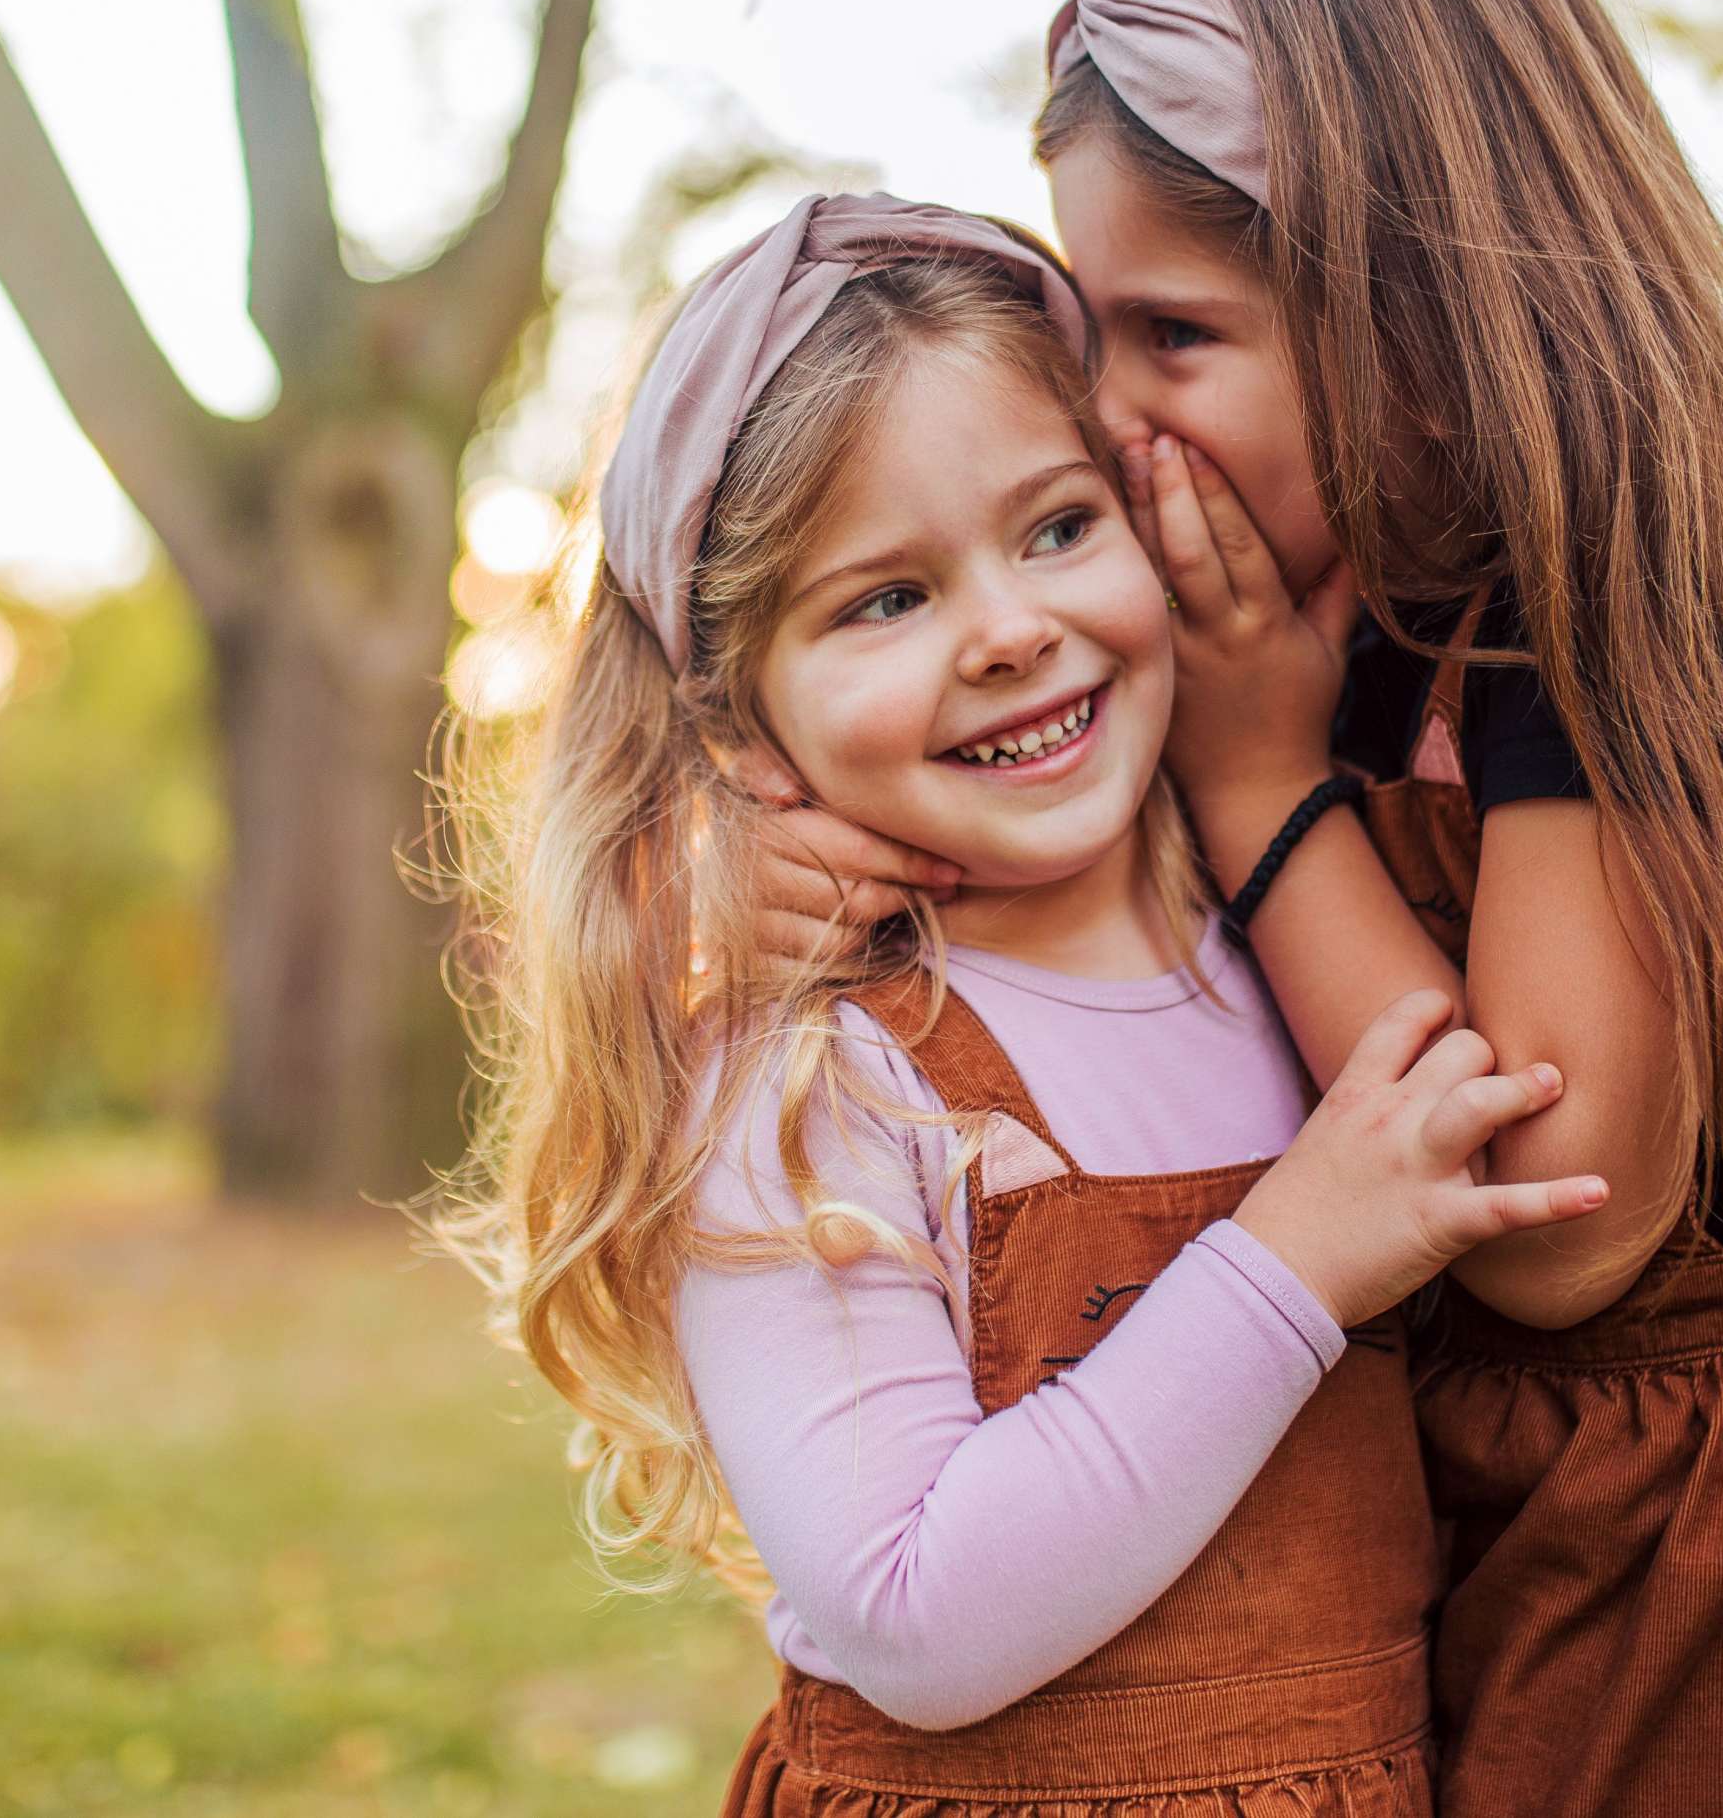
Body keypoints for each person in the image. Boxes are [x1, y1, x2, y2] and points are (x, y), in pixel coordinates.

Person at [765, 0, 1723, 1816]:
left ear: (1426, 328)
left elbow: (1555, 1199)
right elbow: (965, 770)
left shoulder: (1638, 603)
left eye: (1173, 334)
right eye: (1097, 338)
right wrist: (735, 853)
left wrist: (1259, 782)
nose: (1109, 413)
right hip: (1540, 1518)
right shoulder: (1348, 603)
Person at [440, 191, 1611, 1815]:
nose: (1008, 630)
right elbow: (911, 1617)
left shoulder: (1292, 946)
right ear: (733, 713)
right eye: (883, 599)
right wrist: (1292, 1260)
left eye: (1059, 526)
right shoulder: (809, 1078)